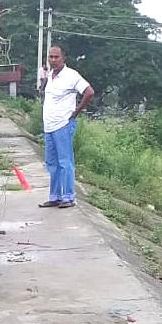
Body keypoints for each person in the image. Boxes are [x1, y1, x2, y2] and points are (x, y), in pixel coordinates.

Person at [38, 46, 94, 208]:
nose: (53, 60)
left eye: (56, 57)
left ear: (63, 58)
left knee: (65, 162)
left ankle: (68, 197)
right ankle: (55, 196)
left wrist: (75, 112)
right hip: (49, 126)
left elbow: (89, 92)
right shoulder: (50, 75)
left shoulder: (71, 75)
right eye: (51, 57)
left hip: (63, 125)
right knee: (51, 163)